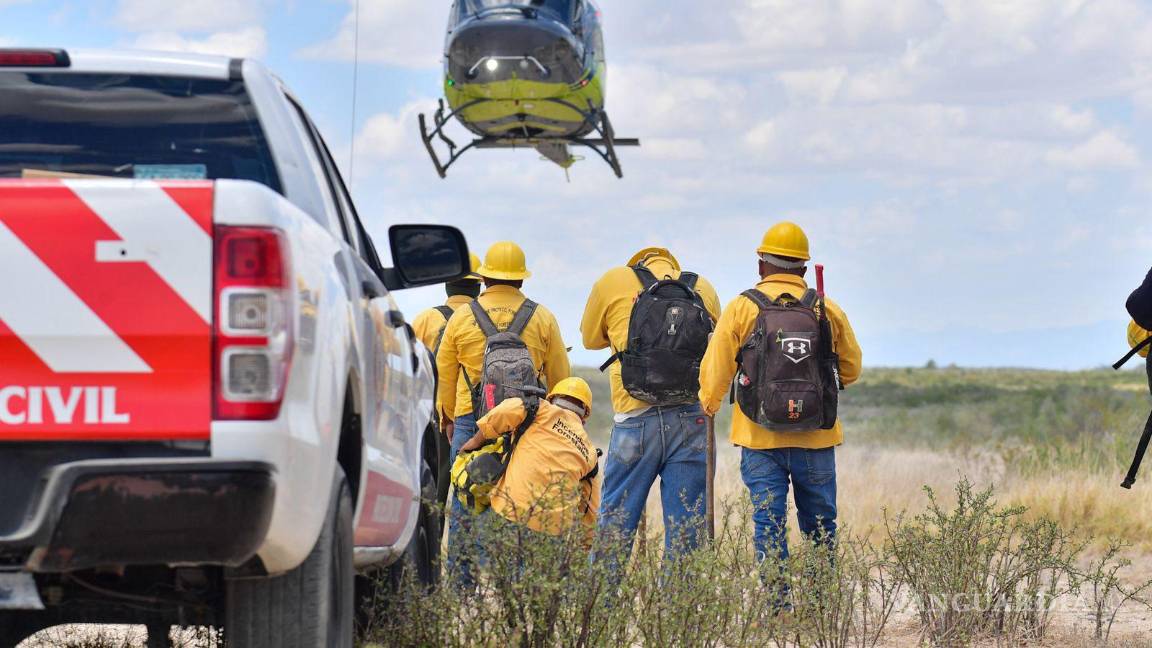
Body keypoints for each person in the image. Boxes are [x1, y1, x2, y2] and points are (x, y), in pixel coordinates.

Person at [697, 222, 862, 603]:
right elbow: (851, 371)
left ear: (761, 266)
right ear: (804, 269)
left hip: (759, 438)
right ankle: (822, 605)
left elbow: (716, 368)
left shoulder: (742, 307)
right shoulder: (825, 307)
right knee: (820, 525)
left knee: (768, 523)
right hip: (816, 439)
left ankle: (778, 606)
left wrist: (709, 403)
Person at [580, 247, 721, 579]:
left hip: (634, 417)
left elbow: (589, 339)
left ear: (638, 263)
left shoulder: (612, 281)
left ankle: (598, 613)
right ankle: (676, 617)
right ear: (673, 265)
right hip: (690, 417)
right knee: (685, 529)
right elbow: (718, 347)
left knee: (615, 523)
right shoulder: (704, 288)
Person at [437, 240, 571, 589]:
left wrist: (448, 421)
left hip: (471, 421)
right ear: (522, 281)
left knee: (466, 502)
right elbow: (560, 378)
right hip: (526, 423)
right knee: (523, 505)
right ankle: (520, 587)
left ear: (484, 280)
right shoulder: (542, 317)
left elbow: (445, 376)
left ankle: (462, 591)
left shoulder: (462, 317)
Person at [459, 377, 601, 544]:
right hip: (552, 530)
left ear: (552, 398)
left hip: (510, 511)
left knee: (500, 565)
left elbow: (505, 411)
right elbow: (590, 510)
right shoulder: (590, 452)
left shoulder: (538, 408)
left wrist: (475, 442)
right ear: (584, 415)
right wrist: (584, 547)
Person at [411, 252, 483, 354]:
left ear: (447, 284)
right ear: (478, 287)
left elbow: (410, 356)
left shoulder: (425, 319)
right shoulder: (490, 320)